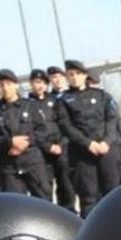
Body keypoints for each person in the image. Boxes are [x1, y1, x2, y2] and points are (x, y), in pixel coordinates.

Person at [55, 60, 121, 216]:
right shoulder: (63, 100)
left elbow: (112, 120)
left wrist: (106, 141)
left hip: (106, 151)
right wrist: (88, 144)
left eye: (78, 74)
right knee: (89, 198)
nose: (74, 77)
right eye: (70, 75)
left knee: (113, 193)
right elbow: (66, 126)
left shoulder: (101, 95)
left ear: (85, 75)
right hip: (82, 155)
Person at [0, 68, 57, 200]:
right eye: (2, 85)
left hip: (32, 161)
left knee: (44, 201)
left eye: (9, 84)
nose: (5, 88)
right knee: (16, 205)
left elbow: (42, 130)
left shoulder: (30, 106)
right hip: (9, 165)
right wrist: (10, 142)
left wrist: (24, 143)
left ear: (16, 84)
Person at [44, 66, 77, 208]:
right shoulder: (47, 100)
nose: (57, 80)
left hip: (72, 145)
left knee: (74, 184)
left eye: (59, 77)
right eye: (53, 78)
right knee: (61, 187)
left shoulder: (72, 96)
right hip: (53, 149)